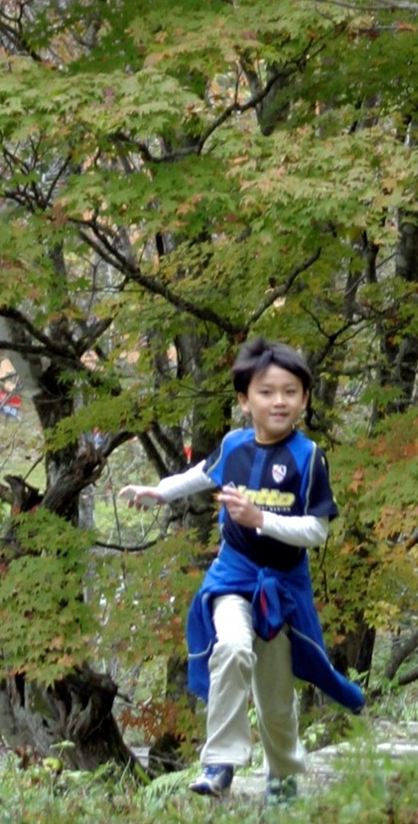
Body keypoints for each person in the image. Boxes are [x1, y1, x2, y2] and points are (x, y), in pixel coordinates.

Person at [119, 339, 364, 799]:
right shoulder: (234, 445)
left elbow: (317, 530)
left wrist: (262, 520)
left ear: (305, 399)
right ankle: (221, 762)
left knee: (274, 697)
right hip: (233, 575)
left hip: (284, 587)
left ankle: (284, 776)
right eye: (267, 392)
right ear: (244, 400)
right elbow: (204, 472)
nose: (279, 401)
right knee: (230, 648)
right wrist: (159, 491)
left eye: (290, 392)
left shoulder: (309, 457)